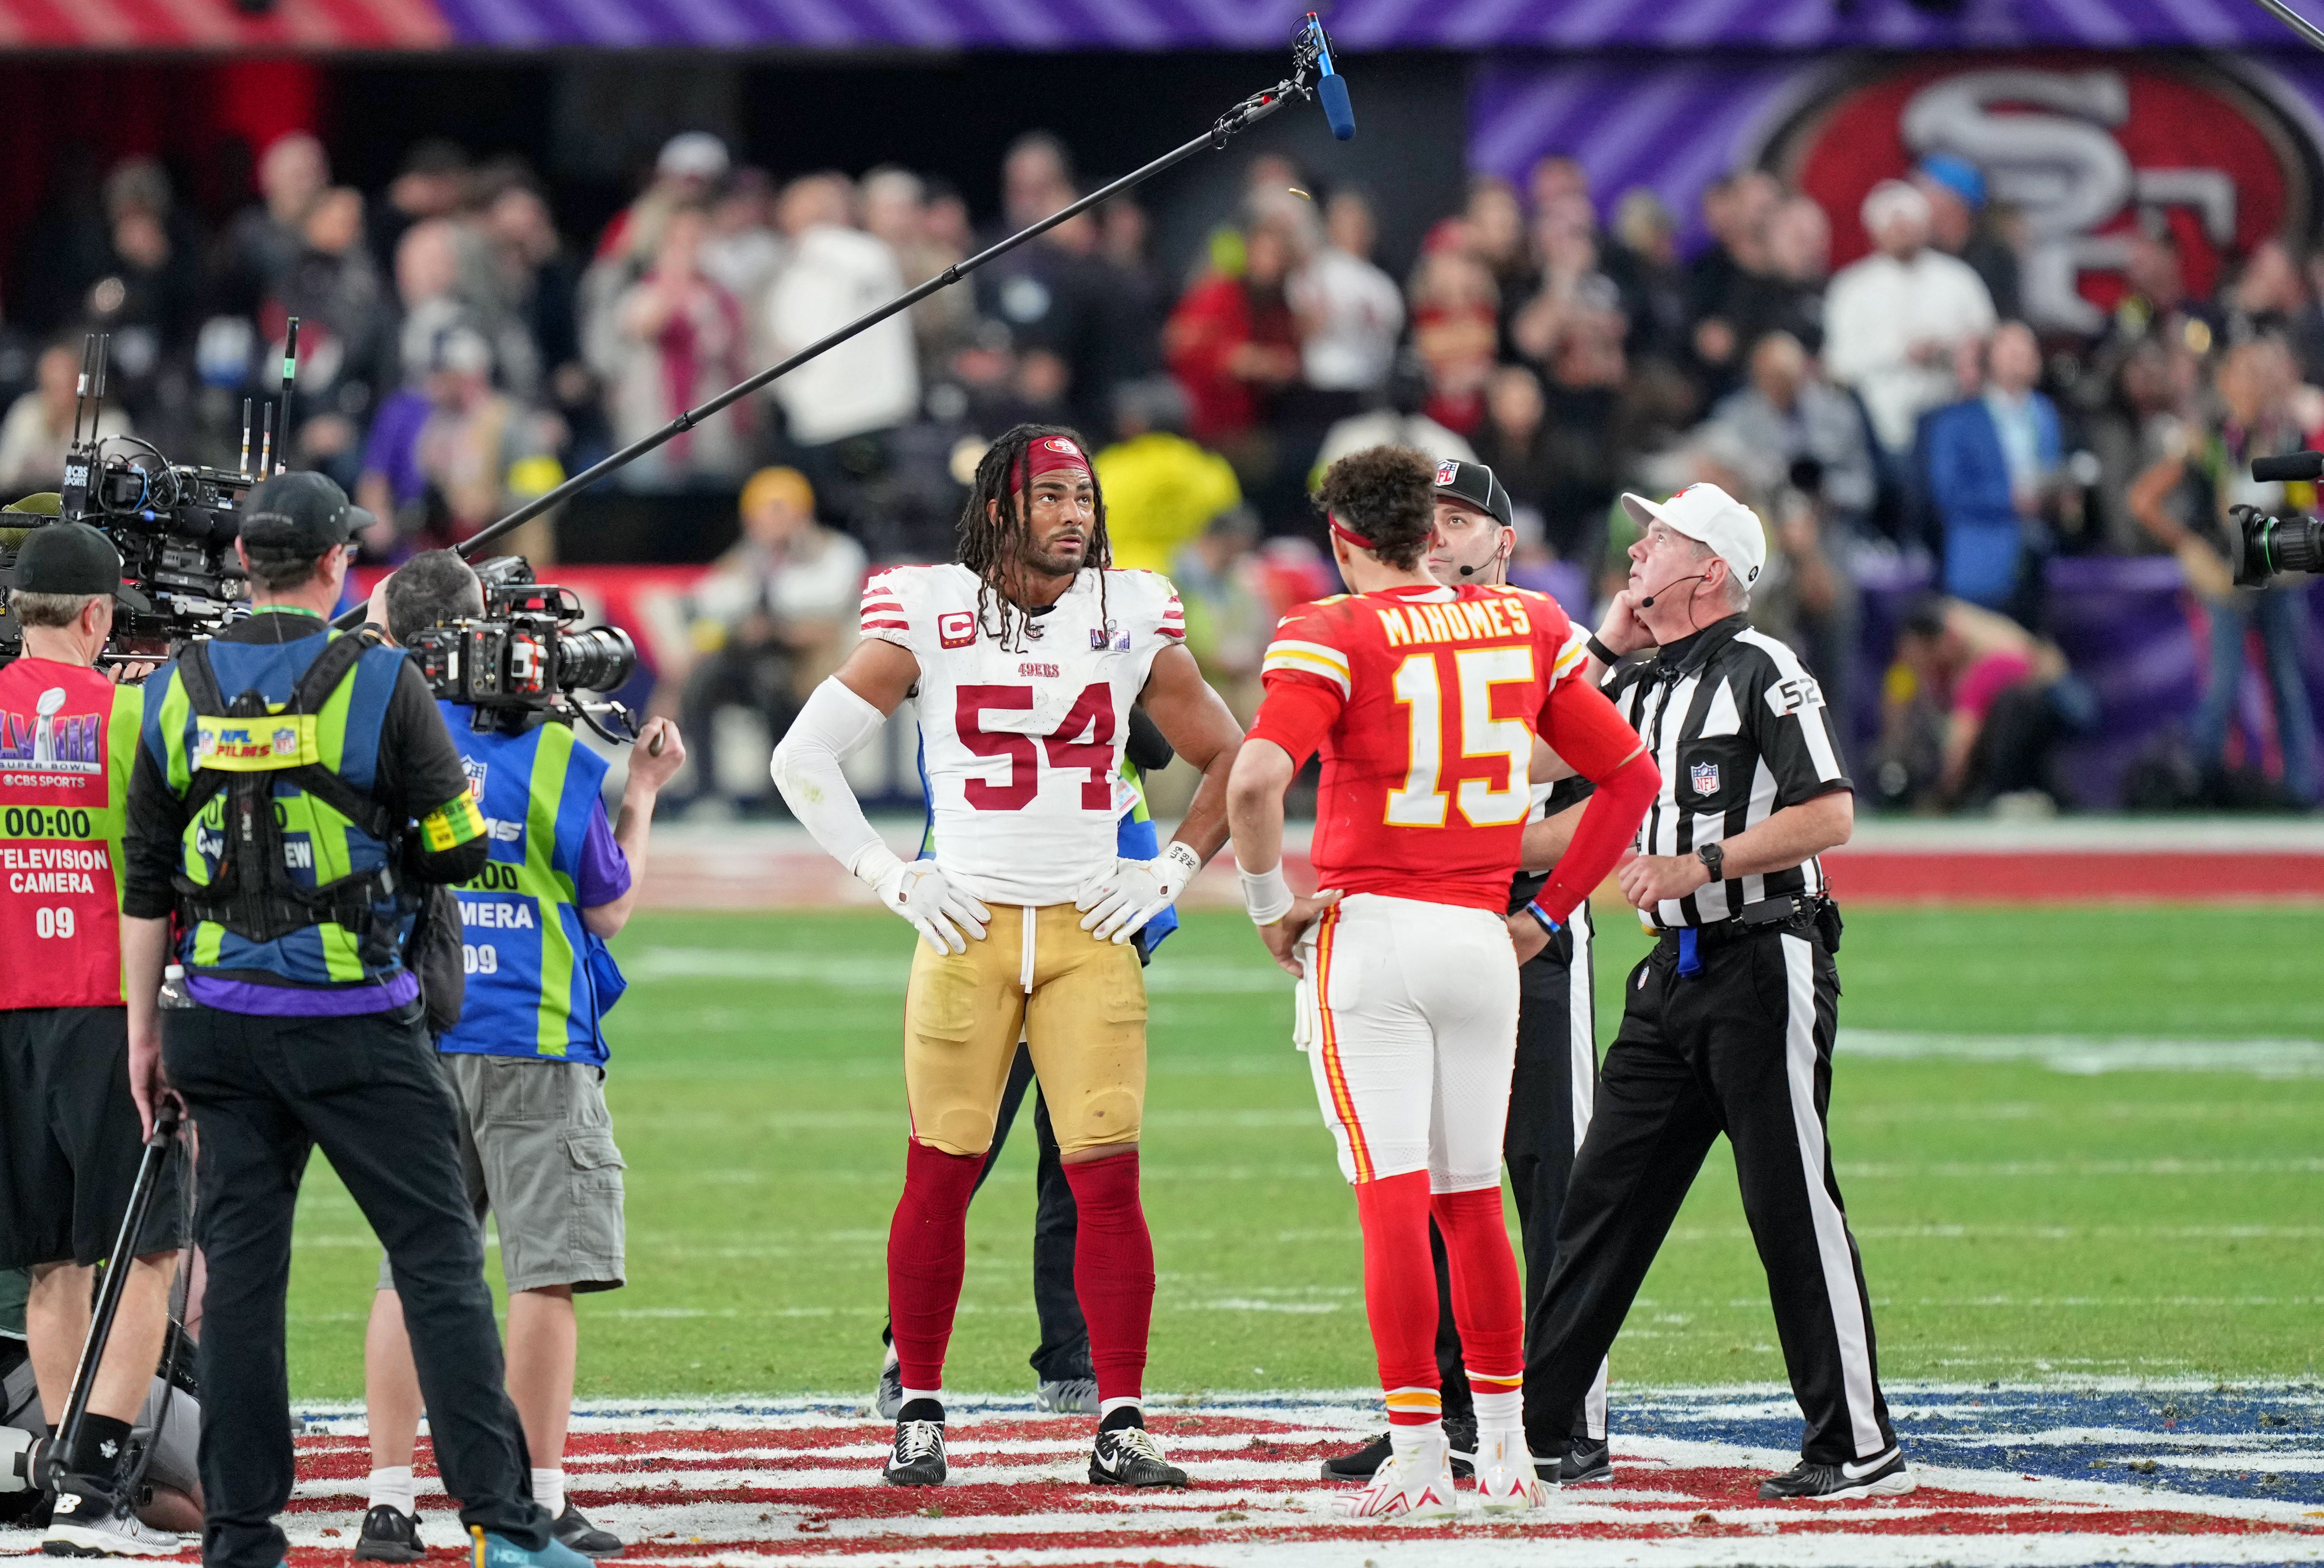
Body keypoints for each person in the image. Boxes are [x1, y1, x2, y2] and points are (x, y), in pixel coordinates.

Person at [118, 472, 587, 1568]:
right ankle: (505, 1525)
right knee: (435, 1262)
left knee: (239, 1282)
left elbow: (145, 882)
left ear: (243, 563)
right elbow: (458, 841)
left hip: (214, 1020)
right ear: (338, 565)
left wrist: (144, 1035)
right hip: (355, 1018)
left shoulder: (173, 689)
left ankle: (241, 1533)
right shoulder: (380, 681)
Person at [770, 424, 1244, 1490]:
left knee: (1105, 1181)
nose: (1075, 514)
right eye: (1052, 497)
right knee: (936, 1174)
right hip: (970, 927)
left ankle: (1118, 1419)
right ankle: (920, 1409)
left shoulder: (1128, 613)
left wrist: (1169, 868)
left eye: (1084, 496)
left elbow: (1231, 756)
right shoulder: (929, 609)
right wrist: (887, 875)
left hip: (1089, 931)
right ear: (1000, 510)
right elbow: (800, 756)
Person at [1224, 446, 1657, 1521]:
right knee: (1473, 1203)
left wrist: (1266, 904)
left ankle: (1419, 1450)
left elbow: (1254, 779)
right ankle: (1507, 1452)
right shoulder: (1525, 620)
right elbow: (1631, 779)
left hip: (1372, 932)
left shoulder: (1328, 629)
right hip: (1480, 937)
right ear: (1429, 531)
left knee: (1392, 1202)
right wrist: (1546, 916)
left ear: (1340, 538)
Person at [1528, 481, 1914, 1501]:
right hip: (1668, 974)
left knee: (1785, 1198)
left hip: (1760, 955)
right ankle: (1545, 1428)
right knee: (1597, 1204)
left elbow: (1828, 814)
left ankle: (1854, 1440)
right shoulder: (1641, 680)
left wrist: (1698, 863)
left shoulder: (1761, 668)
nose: (1635, 544)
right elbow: (1535, 776)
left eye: (1658, 536)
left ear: (1708, 572)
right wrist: (1603, 651)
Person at [353, 550, 685, 1562]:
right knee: (544, 1274)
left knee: (412, 1270)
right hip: (536, 1032)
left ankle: (388, 1499)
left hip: (416, 1030)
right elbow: (611, 908)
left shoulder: (377, 742)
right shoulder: (558, 760)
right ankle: (538, 1494)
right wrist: (647, 792)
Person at [871, 707, 1183, 1421]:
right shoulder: (970, 643)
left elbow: (1160, 747)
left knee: (1085, 1156)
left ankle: (1070, 1354)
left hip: (1092, 907)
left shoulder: (1101, 633)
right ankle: (906, 1355)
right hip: (988, 909)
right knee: (956, 1155)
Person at [0, 522, 183, 1555]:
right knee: (147, 1251)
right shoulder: (131, 718)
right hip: (110, 1008)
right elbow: (165, 874)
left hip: (8, 1008)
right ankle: (97, 1481)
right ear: (100, 616)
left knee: (47, 1260)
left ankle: (61, 1471)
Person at [2127, 335, 2319, 806]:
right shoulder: (2207, 439)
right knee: (2225, 676)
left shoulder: (2284, 436)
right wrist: (2190, 547)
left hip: (2273, 571)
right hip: (2222, 572)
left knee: (2285, 676)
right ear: (2226, 383)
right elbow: (2141, 499)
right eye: (2245, 375)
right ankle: (2199, 780)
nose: (2255, 385)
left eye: (2261, 375)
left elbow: (2303, 502)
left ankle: (2301, 788)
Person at [679, 467, 867, 810]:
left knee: (777, 684)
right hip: (751, 658)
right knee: (701, 682)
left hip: (811, 665)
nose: (774, 525)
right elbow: (710, 601)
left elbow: (825, 608)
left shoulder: (835, 553)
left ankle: (787, 792)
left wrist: (772, 619)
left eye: (782, 514)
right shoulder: (746, 558)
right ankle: (707, 791)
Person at [0, 1267, 203, 1537]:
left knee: (226, 1492)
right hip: (34, 1381)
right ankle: (73, 1487)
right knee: (227, 1498)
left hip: (38, 1381)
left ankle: (72, 1489)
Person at [1822, 180, 1996, 457]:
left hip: (1953, 411)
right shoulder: (1852, 288)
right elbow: (1840, 364)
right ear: (1875, 231)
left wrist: (1953, 351)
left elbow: (1987, 339)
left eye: (1910, 222)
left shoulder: (1958, 279)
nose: (1903, 231)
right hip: (1882, 422)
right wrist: (1901, 353)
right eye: (1894, 223)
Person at [1921, 322, 2062, 618]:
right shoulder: (1957, 421)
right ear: (1990, 360)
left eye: (2028, 350)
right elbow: (1948, 493)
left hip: (2037, 561)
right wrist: (2010, 500)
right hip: (1980, 562)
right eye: (2011, 350)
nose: (2021, 357)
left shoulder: (2046, 415)